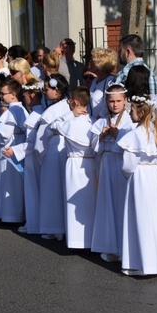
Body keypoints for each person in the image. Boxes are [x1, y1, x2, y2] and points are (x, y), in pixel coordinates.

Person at [118, 93, 157, 276]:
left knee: (140, 217)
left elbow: (128, 164)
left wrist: (127, 175)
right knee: (156, 218)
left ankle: (140, 262)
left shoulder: (135, 134)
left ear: (141, 112)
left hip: (140, 178)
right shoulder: (156, 132)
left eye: (131, 110)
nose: (129, 113)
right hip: (155, 177)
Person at [89, 84, 133, 262]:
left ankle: (125, 248)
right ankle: (110, 246)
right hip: (106, 164)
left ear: (125, 101)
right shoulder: (100, 121)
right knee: (108, 204)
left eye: (118, 101)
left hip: (120, 165)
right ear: (106, 102)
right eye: (111, 101)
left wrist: (116, 135)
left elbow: (132, 144)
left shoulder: (130, 121)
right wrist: (100, 136)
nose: (115, 105)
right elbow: (93, 147)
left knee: (121, 204)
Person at [58, 87, 96, 249]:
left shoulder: (69, 122)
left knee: (75, 203)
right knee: (89, 202)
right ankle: (90, 239)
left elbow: (55, 125)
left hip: (74, 164)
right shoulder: (94, 121)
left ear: (74, 102)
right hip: (90, 164)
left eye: (69, 102)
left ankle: (77, 240)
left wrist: (70, 113)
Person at [35, 74, 71, 240]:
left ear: (57, 91)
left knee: (51, 188)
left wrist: (40, 156)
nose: (44, 92)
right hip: (68, 150)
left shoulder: (51, 111)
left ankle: (53, 227)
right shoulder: (70, 106)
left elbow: (41, 137)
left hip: (53, 150)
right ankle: (64, 226)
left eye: (47, 89)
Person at [11, 75, 45, 235]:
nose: (24, 99)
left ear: (31, 95)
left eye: (24, 96)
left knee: (33, 191)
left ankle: (34, 223)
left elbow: (32, 142)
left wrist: (15, 150)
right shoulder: (40, 113)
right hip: (37, 158)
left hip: (33, 158)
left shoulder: (34, 116)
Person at [0, 79, 29, 224]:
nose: (1, 97)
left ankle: (12, 215)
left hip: (12, 147)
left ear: (13, 94)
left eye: (3, 94)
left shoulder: (13, 110)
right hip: (19, 145)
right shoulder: (21, 109)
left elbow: (4, 134)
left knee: (12, 182)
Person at [88, 47, 117, 119]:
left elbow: (108, 103)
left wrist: (99, 118)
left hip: (101, 123)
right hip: (91, 122)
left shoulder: (110, 81)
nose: (89, 63)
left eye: (92, 61)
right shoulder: (95, 80)